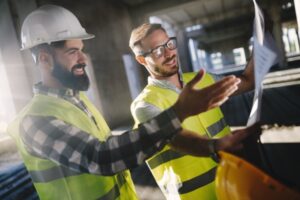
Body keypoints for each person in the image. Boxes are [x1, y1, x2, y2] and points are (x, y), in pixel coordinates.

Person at [7, 5, 257, 200]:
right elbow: (102, 157)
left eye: (81, 49)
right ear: (44, 59)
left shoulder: (80, 103)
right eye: (73, 52)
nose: (84, 58)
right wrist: (181, 112)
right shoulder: (34, 121)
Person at [129, 23, 255, 200]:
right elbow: (176, 137)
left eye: (169, 44)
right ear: (142, 60)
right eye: (157, 51)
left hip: (235, 187)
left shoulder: (203, 79)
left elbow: (248, 81)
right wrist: (215, 146)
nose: (169, 53)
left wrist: (261, 41)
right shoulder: (144, 106)